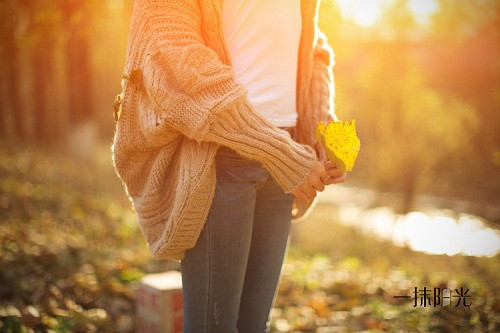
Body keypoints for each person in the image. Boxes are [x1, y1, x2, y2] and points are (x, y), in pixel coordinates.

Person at [112, 0, 346, 331]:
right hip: (220, 155)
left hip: (290, 157)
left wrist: (321, 122)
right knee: (214, 326)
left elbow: (312, 43)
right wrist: (278, 150)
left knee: (254, 325)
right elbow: (177, 57)